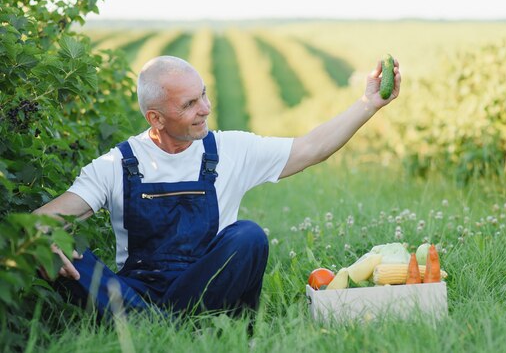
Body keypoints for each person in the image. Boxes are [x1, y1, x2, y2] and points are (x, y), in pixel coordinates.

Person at [34, 55, 401, 317]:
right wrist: (42, 239)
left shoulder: (229, 149)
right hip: (138, 289)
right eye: (190, 104)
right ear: (155, 118)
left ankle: (148, 324)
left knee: (249, 236)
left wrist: (369, 104)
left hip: (210, 288)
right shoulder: (116, 164)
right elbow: (42, 220)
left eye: (204, 95)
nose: (205, 108)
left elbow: (310, 148)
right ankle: (170, 324)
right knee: (60, 251)